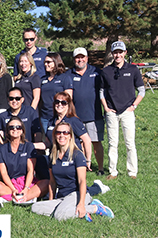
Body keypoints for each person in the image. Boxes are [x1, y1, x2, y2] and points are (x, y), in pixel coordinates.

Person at [31, 123, 113, 221]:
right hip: (62, 197)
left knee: (59, 216)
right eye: (58, 133)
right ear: (55, 135)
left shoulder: (77, 155)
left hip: (76, 194)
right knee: (35, 207)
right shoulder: (52, 156)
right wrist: (51, 202)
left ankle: (95, 208)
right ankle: (71, 211)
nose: (62, 135)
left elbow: (82, 181)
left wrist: (81, 204)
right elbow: (52, 182)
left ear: (70, 136)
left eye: (65, 132)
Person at [101, 41, 145, 180]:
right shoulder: (106, 71)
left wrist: (134, 106)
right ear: (112, 54)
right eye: (115, 52)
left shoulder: (133, 69)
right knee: (112, 143)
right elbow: (101, 91)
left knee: (130, 143)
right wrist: (106, 107)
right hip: (112, 112)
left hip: (127, 111)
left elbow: (142, 91)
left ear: (125, 53)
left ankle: (132, 172)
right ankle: (113, 171)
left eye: (120, 52)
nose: (118, 55)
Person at [0, 117, 48, 204]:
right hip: (10, 184)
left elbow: (30, 171)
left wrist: (26, 188)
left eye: (18, 127)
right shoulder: (1, 149)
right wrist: (13, 189)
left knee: (46, 183)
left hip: (27, 183)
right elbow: (3, 173)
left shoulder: (29, 146)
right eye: (11, 127)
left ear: (22, 130)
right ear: (7, 131)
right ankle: (23, 197)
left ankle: (20, 197)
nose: (15, 129)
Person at [70, 47, 106, 176]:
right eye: (77, 57)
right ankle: (82, 167)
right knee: (78, 144)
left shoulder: (96, 72)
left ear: (87, 58)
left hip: (94, 114)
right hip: (76, 116)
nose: (80, 60)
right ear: (74, 59)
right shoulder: (70, 74)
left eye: (82, 57)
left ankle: (100, 168)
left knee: (96, 142)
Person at [43, 92, 93, 167]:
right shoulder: (51, 121)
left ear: (68, 105)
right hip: (55, 158)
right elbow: (47, 143)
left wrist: (87, 160)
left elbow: (87, 140)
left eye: (63, 103)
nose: (59, 104)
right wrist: (30, 145)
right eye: (57, 102)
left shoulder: (73, 121)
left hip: (71, 158)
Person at [39, 53, 73, 135]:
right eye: (45, 62)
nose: (46, 64)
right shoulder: (42, 79)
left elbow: (69, 98)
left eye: (48, 62)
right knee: (48, 141)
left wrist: (64, 115)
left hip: (59, 115)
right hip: (45, 116)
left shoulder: (64, 78)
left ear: (56, 62)